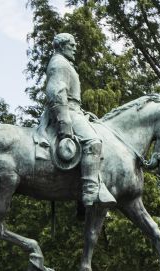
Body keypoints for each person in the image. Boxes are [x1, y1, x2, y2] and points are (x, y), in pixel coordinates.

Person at [45, 32, 114, 209]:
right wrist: (64, 120)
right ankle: (90, 189)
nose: (75, 48)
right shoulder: (59, 63)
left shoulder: (65, 63)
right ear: (61, 46)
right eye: (71, 45)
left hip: (75, 110)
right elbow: (56, 93)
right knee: (93, 142)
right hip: (67, 111)